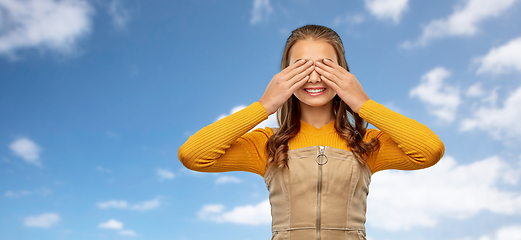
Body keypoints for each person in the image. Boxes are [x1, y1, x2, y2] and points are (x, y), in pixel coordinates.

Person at [178, 24, 444, 240]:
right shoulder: (268, 144)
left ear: (344, 74)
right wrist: (264, 106)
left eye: (325, 66)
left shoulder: (366, 144)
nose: (314, 78)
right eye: (302, 68)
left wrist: (363, 104)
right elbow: (193, 155)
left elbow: (429, 150)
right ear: (285, 75)